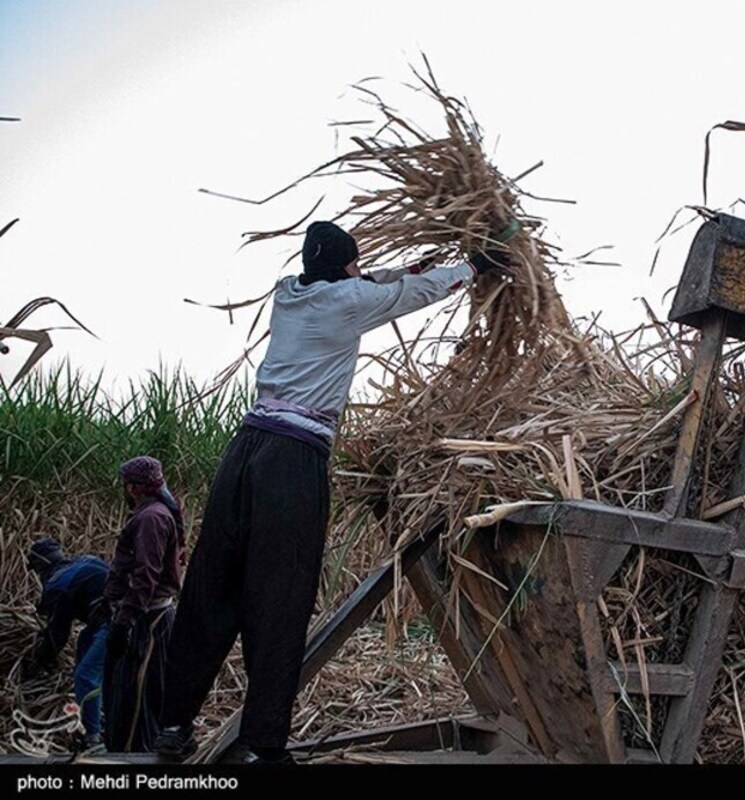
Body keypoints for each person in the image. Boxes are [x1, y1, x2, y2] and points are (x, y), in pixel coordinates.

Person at [155, 220, 515, 764]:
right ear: (346, 267)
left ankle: (173, 725)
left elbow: (369, 281)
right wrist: (473, 267)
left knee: (212, 586)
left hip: (245, 451)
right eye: (354, 264)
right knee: (281, 596)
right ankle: (265, 743)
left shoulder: (289, 293)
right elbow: (402, 293)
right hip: (292, 461)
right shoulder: (348, 301)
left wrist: (402, 267)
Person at [102, 455, 186, 753]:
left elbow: (146, 576)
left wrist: (123, 622)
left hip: (148, 621)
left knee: (137, 698)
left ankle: (135, 760)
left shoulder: (151, 518)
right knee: (135, 692)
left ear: (133, 487)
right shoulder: (155, 513)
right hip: (146, 617)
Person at [21, 538, 111, 754]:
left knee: (85, 675)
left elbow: (58, 636)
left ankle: (93, 737)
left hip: (116, 623)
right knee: (85, 646)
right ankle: (100, 714)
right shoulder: (83, 561)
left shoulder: (56, 584)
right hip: (111, 618)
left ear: (41, 566)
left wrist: (36, 666)